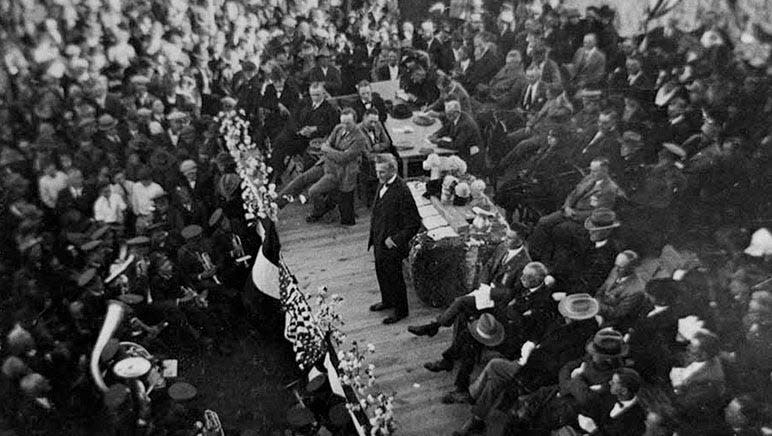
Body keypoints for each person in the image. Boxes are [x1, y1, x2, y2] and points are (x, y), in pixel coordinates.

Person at [453, 293, 600, 436]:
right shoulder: (564, 324)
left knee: (496, 373)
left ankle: (477, 417)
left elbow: (558, 365)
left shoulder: (581, 338)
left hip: (540, 375)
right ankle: (476, 415)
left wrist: (530, 358)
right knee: (495, 370)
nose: (565, 315)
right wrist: (533, 345)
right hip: (531, 363)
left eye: (569, 314)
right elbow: (544, 333)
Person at [367, 154, 421, 324]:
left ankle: (401, 310)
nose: (378, 176)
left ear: (393, 170)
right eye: (377, 172)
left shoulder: (403, 191)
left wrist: (396, 240)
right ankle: (387, 300)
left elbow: (414, 223)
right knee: (381, 272)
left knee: (394, 277)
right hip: (378, 239)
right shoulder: (382, 183)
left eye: (382, 172)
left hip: (391, 245)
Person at [305, 108, 368, 225]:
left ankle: (321, 211)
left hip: (344, 175)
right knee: (312, 190)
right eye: (342, 122)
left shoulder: (360, 138)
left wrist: (329, 150)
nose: (344, 125)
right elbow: (327, 144)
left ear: (355, 121)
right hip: (330, 168)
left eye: (348, 123)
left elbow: (343, 158)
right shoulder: (338, 128)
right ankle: (321, 210)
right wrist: (333, 151)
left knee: (313, 191)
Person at [428, 99, 484, 175]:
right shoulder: (456, 116)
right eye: (447, 114)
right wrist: (436, 134)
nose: (447, 117)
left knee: (441, 163)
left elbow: (456, 145)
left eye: (449, 115)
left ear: (456, 113)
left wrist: (438, 142)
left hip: (470, 156)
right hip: (463, 150)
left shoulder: (465, 124)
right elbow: (447, 127)